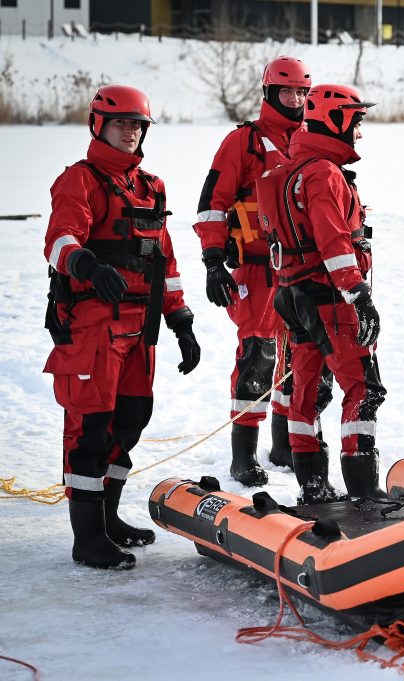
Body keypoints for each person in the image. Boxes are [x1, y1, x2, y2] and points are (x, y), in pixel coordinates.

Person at [43, 85, 200, 569]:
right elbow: (59, 240)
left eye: (137, 125)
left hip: (141, 327)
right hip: (93, 325)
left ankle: (109, 520)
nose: (130, 132)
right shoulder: (80, 180)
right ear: (99, 125)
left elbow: (164, 261)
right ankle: (87, 538)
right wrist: (88, 266)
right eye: (121, 123)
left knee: (129, 423)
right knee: (90, 431)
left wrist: (181, 320)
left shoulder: (151, 186)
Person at [193, 56, 331, 487]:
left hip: (303, 268)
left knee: (300, 355)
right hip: (256, 270)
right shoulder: (243, 142)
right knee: (258, 356)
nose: (295, 100)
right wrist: (213, 260)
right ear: (270, 93)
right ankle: (243, 455)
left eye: (302, 93)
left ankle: (285, 444)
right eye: (287, 92)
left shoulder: (313, 139)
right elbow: (211, 205)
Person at [255, 83, 385, 504]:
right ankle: (364, 490)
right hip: (329, 298)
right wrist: (359, 295)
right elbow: (334, 244)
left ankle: (312, 484)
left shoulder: (284, 171)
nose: (359, 132)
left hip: (293, 295)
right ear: (336, 121)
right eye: (356, 122)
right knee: (363, 388)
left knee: (307, 391)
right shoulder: (324, 173)